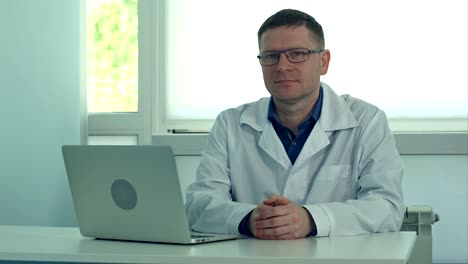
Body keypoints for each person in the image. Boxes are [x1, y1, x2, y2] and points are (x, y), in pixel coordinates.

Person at [185, 8, 405, 239]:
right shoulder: (230, 124)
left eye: (297, 53)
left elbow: (387, 206)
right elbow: (198, 204)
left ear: (323, 61)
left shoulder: (367, 121)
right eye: (271, 56)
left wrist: (311, 219)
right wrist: (249, 219)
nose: (282, 66)